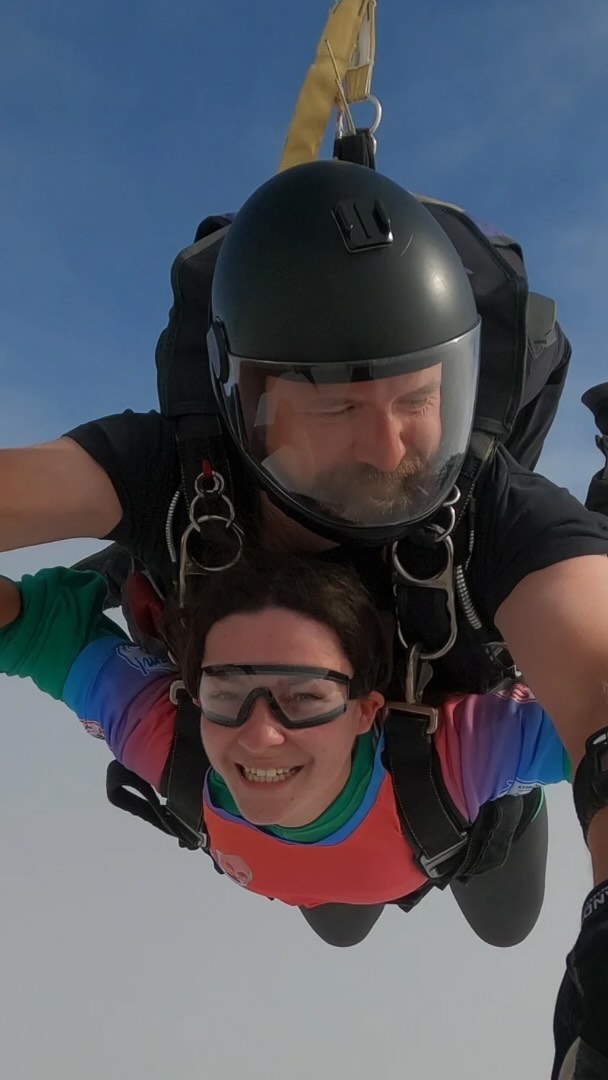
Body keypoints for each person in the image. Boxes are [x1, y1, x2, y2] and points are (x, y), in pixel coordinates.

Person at [3, 161, 608, 1054]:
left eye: (419, 397)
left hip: (463, 784)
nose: (392, 445)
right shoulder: (171, 469)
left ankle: (508, 803)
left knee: (502, 915)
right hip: (318, 820)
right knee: (337, 912)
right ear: (245, 398)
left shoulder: (493, 511)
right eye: (337, 403)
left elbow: (597, 681)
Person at [0, 552, 562, 950]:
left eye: (305, 697)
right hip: (377, 854)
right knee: (341, 928)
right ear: (195, 697)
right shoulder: (164, 735)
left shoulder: (466, 752)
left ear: (369, 710)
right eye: (227, 693)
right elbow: (32, 625)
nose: (261, 734)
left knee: (505, 928)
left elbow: (40, 629)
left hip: (466, 820)